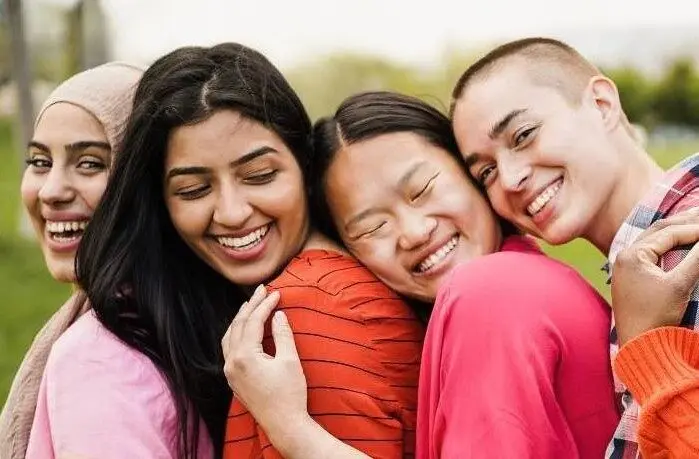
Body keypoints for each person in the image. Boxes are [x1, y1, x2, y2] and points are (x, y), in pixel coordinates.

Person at [42, 43, 423, 459]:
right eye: (193, 189)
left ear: (304, 164)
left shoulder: (305, 310)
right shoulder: (280, 300)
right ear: (161, 204)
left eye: (259, 175)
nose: (232, 212)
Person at [221, 91, 619, 458]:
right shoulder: (530, 278)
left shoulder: (489, 292)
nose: (413, 232)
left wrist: (293, 431)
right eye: (371, 228)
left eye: (423, 188)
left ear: (469, 171)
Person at [449, 36, 699, 457]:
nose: (509, 179)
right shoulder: (644, 277)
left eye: (524, 134)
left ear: (602, 105)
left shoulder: (685, 254)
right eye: (486, 171)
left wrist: (649, 346)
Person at [0, 62, 142, 459]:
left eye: (90, 163)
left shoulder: (99, 360)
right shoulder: (177, 318)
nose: (51, 191)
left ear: (143, 180)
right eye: (40, 162)